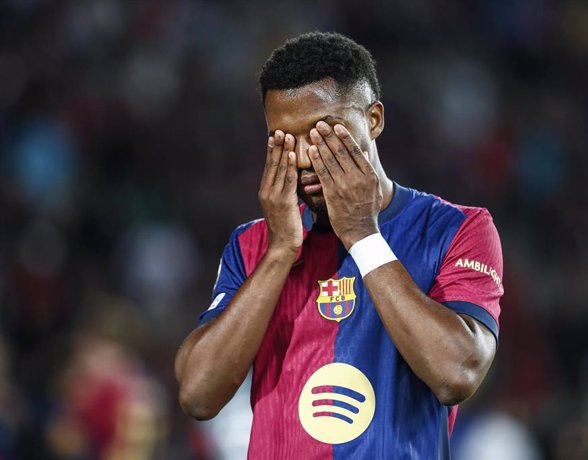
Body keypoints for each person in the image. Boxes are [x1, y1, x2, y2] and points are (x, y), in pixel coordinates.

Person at [175, 31, 503, 459]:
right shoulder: (253, 244)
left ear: (374, 120)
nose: (306, 156)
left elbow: (457, 373)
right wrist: (279, 254)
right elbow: (198, 395)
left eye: (323, 132)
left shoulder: (457, 228)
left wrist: (363, 236)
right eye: (284, 140)